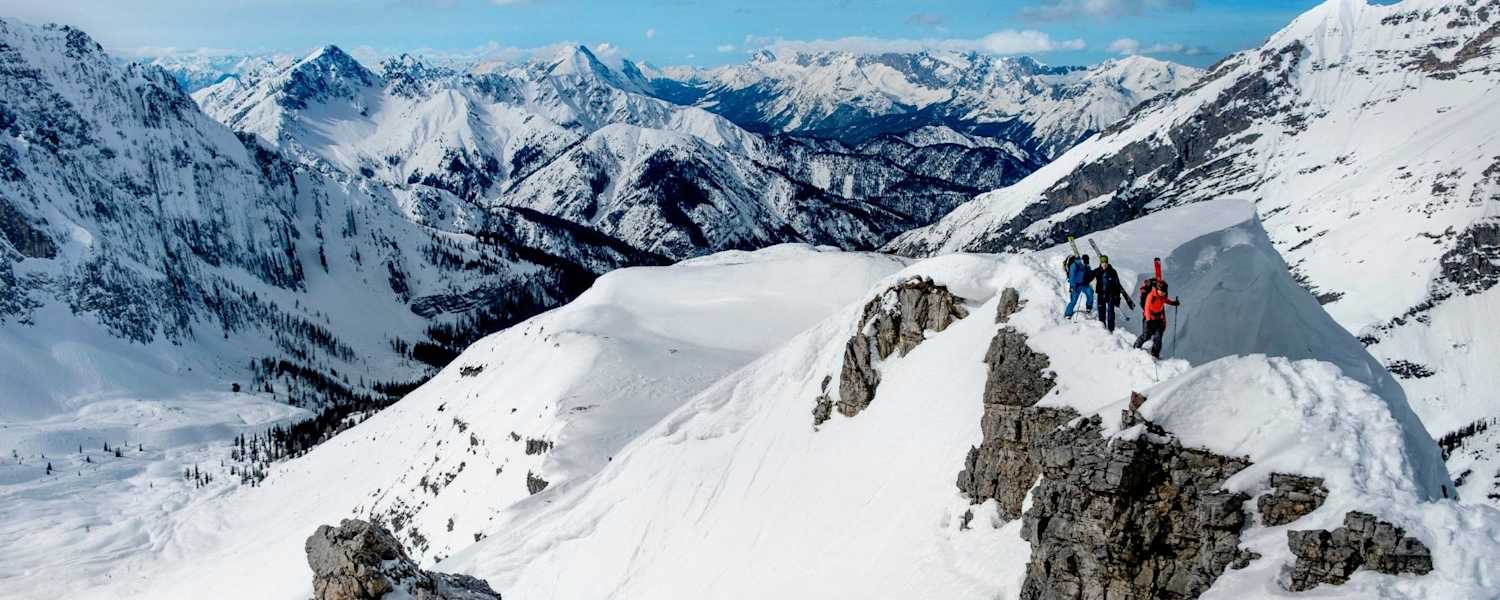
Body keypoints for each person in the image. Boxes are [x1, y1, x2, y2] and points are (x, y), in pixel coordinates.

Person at [1133, 278, 1180, 359]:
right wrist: (1148, 321)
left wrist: (1173, 303)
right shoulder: (1151, 296)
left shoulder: (1162, 296)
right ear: (1157, 289)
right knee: (1146, 336)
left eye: (1164, 292)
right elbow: (1147, 308)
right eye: (1161, 291)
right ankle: (1136, 346)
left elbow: (1166, 300)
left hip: (1158, 320)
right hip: (1149, 319)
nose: (1162, 293)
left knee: (1158, 337)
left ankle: (1155, 354)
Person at [1089, 255, 1134, 332]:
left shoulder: (1113, 271)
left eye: (1106, 262)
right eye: (1103, 263)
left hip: (1111, 295)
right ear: (1100, 263)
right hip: (1101, 295)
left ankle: (1111, 329)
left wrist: (1117, 297)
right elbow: (1089, 278)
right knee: (1101, 312)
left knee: (1111, 313)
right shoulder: (1097, 271)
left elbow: (1117, 284)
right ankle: (1102, 327)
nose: (1104, 264)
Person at [1063, 254, 1094, 319]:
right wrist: (1072, 287)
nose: (1085, 264)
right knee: (1074, 300)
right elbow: (1072, 277)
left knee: (1090, 292)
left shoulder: (1086, 265)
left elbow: (1090, 273)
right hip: (1076, 285)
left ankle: (1089, 308)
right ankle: (1067, 314)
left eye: (1087, 263)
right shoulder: (1074, 265)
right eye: (1085, 263)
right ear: (1082, 260)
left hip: (1084, 284)